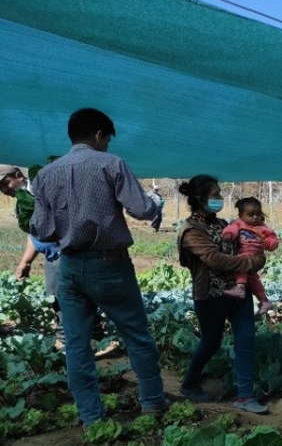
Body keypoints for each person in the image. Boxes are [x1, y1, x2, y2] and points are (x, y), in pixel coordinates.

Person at [29, 108, 169, 426]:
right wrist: (156, 203)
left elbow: (41, 230)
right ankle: (152, 404)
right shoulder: (111, 164)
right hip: (110, 266)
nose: (107, 144)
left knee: (77, 345)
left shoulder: (46, 175)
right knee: (137, 336)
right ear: (98, 135)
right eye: (106, 139)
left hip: (69, 267)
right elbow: (141, 209)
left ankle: (92, 418)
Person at [176, 175, 268, 414]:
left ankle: (245, 396)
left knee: (246, 341)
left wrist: (257, 257)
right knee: (211, 342)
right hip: (210, 296)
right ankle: (189, 384)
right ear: (200, 199)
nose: (220, 198)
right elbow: (214, 259)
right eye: (215, 195)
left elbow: (248, 247)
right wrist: (249, 263)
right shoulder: (190, 231)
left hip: (239, 292)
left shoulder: (224, 224)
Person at [0, 164, 103, 343]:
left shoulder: (44, 190)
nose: (3, 190)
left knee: (73, 298)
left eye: (5, 183)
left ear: (18, 175)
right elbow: (33, 234)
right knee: (55, 298)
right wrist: (25, 261)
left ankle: (79, 340)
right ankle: (80, 338)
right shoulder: (22, 203)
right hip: (52, 256)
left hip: (70, 252)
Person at [221, 197, 279, 315]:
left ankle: (240, 288)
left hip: (257, 258)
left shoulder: (263, 228)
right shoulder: (239, 223)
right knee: (252, 278)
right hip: (247, 257)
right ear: (241, 215)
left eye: (258, 214)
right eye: (251, 214)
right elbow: (231, 229)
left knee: (240, 261)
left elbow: (274, 241)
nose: (255, 217)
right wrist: (228, 234)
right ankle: (264, 301)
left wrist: (268, 243)